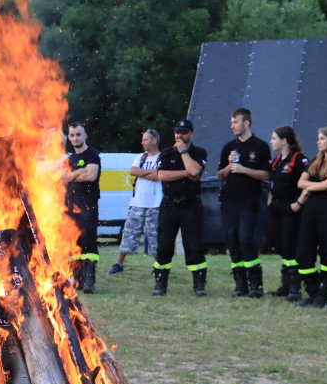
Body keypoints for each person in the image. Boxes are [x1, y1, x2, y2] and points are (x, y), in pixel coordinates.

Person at [218, 108, 271, 298]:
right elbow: (220, 176)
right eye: (231, 122)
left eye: (235, 122)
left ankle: (256, 285)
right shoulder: (228, 147)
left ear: (246, 123)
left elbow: (266, 174)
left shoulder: (261, 146)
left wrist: (244, 169)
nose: (232, 126)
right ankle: (240, 285)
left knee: (246, 240)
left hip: (250, 202)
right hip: (229, 202)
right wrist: (228, 165)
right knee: (231, 241)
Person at [152, 119, 208, 296]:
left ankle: (199, 284)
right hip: (169, 204)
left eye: (183, 132)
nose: (179, 135)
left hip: (191, 204)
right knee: (163, 245)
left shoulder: (199, 152)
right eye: (177, 131)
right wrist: (187, 173)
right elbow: (161, 175)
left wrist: (184, 151)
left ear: (191, 134)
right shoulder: (167, 153)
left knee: (194, 245)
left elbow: (195, 171)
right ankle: (160, 284)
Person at [293, 127, 327, 308]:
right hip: (311, 208)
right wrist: (318, 186)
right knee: (302, 252)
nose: (318, 141)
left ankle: (324, 294)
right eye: (318, 138)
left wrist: (313, 186)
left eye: (322, 138)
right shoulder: (315, 160)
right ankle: (313, 291)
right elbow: (301, 182)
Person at [109, 129, 161, 275]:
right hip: (137, 203)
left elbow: (160, 175)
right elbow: (133, 171)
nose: (142, 142)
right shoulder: (140, 157)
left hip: (155, 204)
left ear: (154, 140)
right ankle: (119, 264)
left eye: (145, 139)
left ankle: (159, 267)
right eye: (143, 139)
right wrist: (151, 173)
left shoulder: (162, 157)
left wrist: (143, 173)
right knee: (129, 234)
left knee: (154, 237)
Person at [266, 126, 308, 299]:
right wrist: (270, 199)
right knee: (281, 246)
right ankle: (285, 285)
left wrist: (298, 203)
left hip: (291, 209)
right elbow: (273, 182)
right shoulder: (277, 161)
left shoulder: (298, 159)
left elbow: (309, 180)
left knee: (291, 247)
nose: (271, 141)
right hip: (276, 208)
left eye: (274, 138)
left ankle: (295, 287)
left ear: (284, 141)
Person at [63, 122, 101, 293]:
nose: (75, 138)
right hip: (70, 207)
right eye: (72, 135)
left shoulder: (93, 154)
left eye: (78, 134)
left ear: (85, 136)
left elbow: (91, 176)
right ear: (69, 137)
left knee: (89, 243)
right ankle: (77, 279)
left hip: (88, 207)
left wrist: (73, 174)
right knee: (73, 244)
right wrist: (80, 171)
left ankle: (89, 281)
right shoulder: (68, 159)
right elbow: (62, 179)